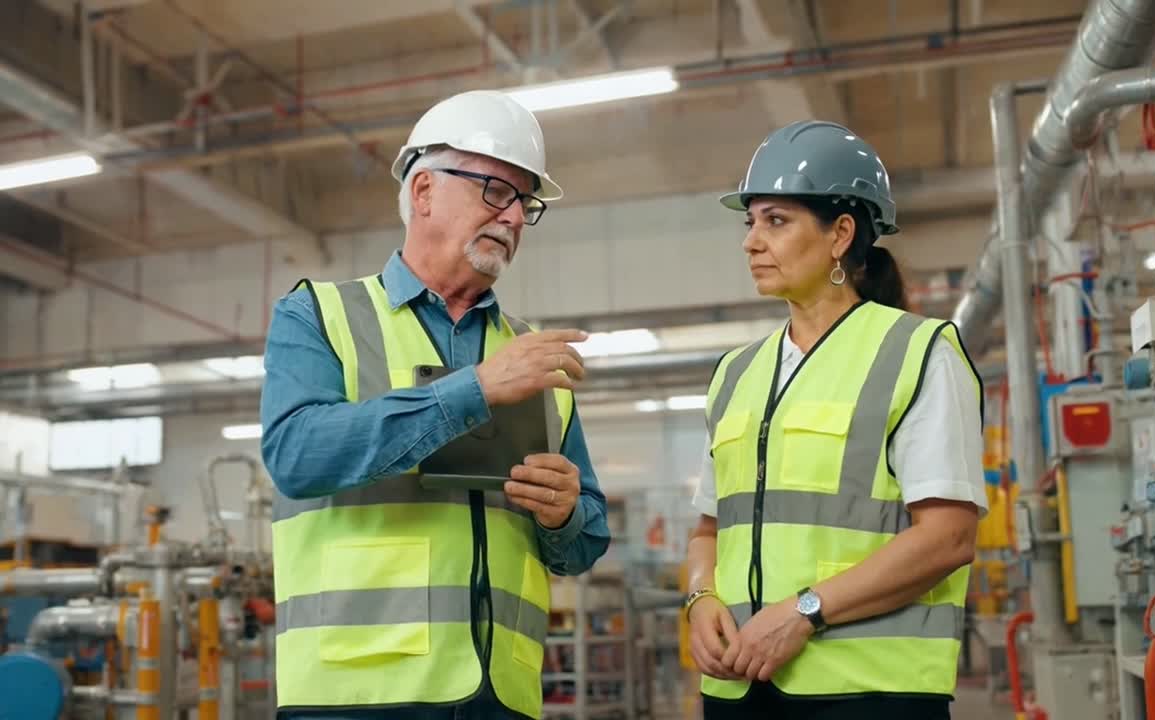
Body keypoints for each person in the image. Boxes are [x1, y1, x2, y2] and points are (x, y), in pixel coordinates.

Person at [260, 90, 611, 720]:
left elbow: (587, 537)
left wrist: (563, 517)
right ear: (423, 192)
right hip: (357, 690)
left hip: (499, 694)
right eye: (496, 191)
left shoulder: (531, 354)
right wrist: (473, 390)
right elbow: (295, 454)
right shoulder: (320, 316)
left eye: (525, 204)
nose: (512, 218)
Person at [683, 120, 987, 719]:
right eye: (750, 222)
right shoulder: (736, 374)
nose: (751, 241)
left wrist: (804, 612)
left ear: (841, 234)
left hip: (868, 692)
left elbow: (948, 537)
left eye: (776, 220)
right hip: (740, 691)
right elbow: (707, 532)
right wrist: (699, 598)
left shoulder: (919, 351)